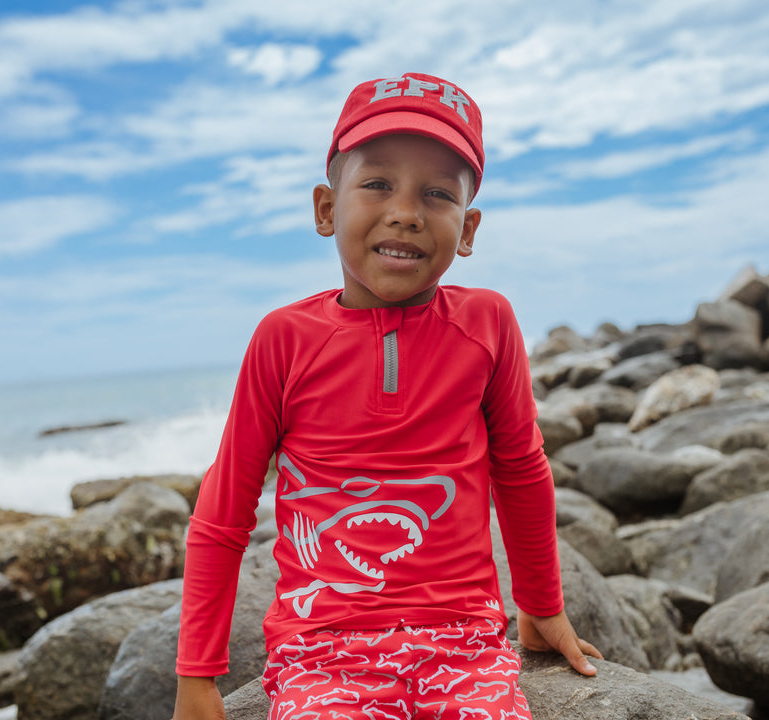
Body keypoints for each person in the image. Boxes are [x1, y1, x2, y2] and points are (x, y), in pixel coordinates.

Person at [172, 72, 602, 720]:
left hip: (464, 646)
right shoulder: (283, 340)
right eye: (377, 184)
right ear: (325, 208)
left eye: (436, 193)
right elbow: (226, 502)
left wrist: (540, 608)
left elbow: (520, 468)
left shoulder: (488, 325)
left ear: (468, 228)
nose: (406, 210)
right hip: (322, 650)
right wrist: (196, 676)